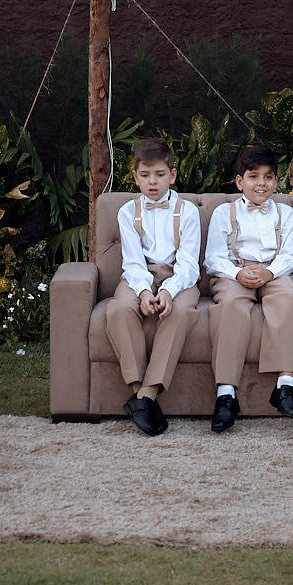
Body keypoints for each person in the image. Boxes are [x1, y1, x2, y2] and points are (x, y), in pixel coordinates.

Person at [203, 144, 293, 431]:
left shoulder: (286, 214)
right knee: (231, 306)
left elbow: (292, 255)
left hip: (274, 270)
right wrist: (238, 273)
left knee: (288, 298)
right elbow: (213, 257)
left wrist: (269, 272)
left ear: (276, 181)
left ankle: (285, 385)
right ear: (239, 182)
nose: (262, 183)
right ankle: (226, 394)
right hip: (235, 271)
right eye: (253, 176)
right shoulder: (224, 213)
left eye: (268, 177)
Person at [105, 138, 201, 437]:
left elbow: (189, 264)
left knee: (179, 312)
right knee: (119, 309)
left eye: (159, 175)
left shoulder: (188, 211)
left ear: (172, 175)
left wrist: (168, 292)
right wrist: (145, 291)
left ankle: (147, 394)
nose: (152, 182)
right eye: (145, 175)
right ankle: (140, 392)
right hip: (140, 275)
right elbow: (133, 262)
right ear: (135, 177)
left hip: (179, 277)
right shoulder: (127, 212)